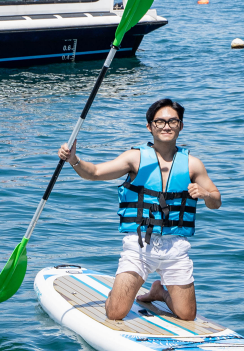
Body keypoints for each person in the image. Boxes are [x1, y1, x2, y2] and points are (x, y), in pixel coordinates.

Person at [58, 98, 220, 321]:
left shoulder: (193, 164)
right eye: (160, 121)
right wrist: (74, 159)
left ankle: (159, 293)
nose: (166, 126)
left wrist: (206, 194)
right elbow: (94, 173)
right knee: (116, 313)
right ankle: (116, 295)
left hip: (175, 246)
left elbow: (216, 201)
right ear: (149, 126)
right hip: (140, 244)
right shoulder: (135, 158)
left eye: (173, 121)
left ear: (181, 126)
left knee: (187, 315)